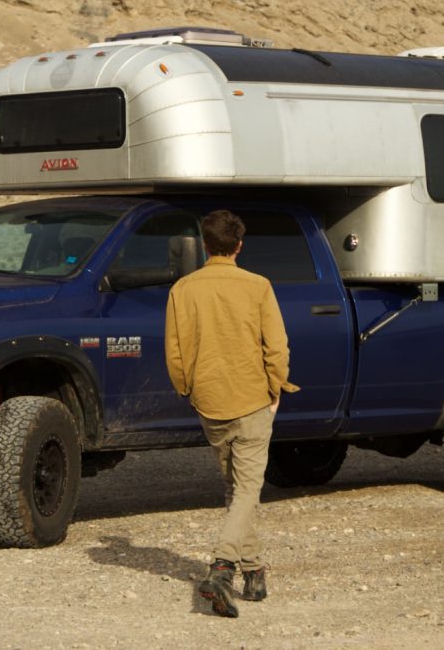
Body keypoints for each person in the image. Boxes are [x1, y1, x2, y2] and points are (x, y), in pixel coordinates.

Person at [164, 209, 298, 618]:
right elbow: (276, 346)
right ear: (239, 245)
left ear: (205, 245)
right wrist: (277, 386)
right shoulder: (258, 286)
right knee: (246, 490)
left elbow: (175, 351)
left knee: (236, 488)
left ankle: (254, 573)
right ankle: (221, 570)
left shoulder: (183, 290)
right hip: (253, 399)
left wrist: (187, 388)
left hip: (210, 401)